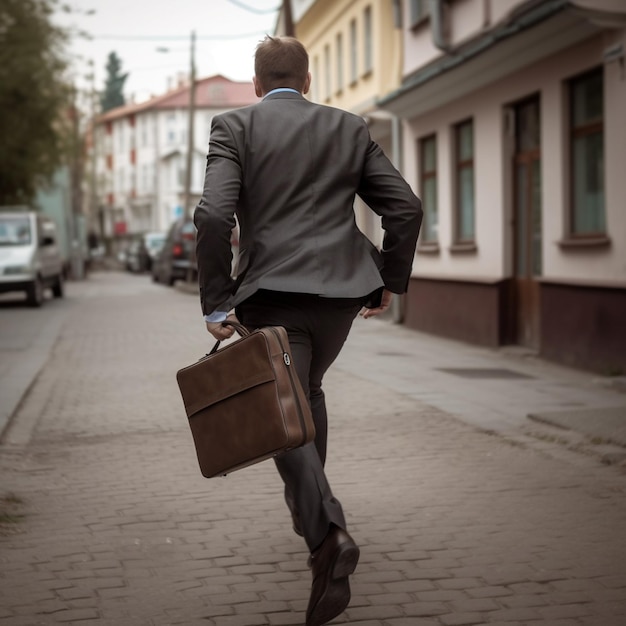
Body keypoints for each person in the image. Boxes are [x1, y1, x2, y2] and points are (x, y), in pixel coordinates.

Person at [194, 35, 422, 626]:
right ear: (310, 81)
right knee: (305, 394)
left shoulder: (233, 126)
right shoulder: (348, 127)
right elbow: (405, 207)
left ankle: (327, 536)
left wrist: (216, 302)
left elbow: (216, 214)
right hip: (342, 298)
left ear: (256, 84)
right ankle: (313, 526)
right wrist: (388, 279)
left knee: (280, 414)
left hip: (271, 296)